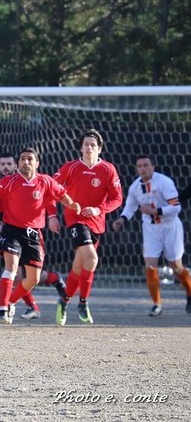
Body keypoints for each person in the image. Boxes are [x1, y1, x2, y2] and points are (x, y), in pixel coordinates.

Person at [0, 147, 80, 324]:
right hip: (12, 230)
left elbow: (62, 195)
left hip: (34, 234)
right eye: (22, 159)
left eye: (30, 159)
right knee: (11, 267)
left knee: (33, 278)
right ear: (18, 163)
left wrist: (72, 205)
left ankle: (11, 302)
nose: (26, 162)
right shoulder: (8, 181)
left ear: (37, 163)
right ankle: (2, 309)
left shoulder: (46, 181)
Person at [51, 129, 123, 326]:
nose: (89, 147)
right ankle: (83, 302)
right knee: (92, 258)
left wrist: (99, 210)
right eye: (86, 144)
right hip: (75, 219)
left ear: (99, 148)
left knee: (79, 266)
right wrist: (52, 216)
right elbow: (51, 189)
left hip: (96, 223)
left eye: (93, 145)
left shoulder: (108, 169)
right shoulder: (71, 167)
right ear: (81, 147)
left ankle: (64, 300)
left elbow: (117, 199)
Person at [112, 155, 191, 316]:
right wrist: (122, 219)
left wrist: (156, 211)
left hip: (170, 226)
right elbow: (130, 207)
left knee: (176, 266)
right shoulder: (134, 187)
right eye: (139, 166)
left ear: (153, 167)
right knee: (149, 265)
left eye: (146, 165)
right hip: (150, 229)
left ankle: (190, 293)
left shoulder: (164, 182)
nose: (142, 168)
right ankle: (157, 304)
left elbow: (175, 208)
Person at [0, 153, 66, 321]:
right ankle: (26, 305)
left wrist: (52, 216)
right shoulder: (3, 184)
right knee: (16, 274)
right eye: (2, 163)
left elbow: (48, 198)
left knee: (28, 275)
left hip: (31, 231)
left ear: (15, 166)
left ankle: (51, 282)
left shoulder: (34, 182)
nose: (5, 167)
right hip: (11, 231)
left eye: (9, 164)